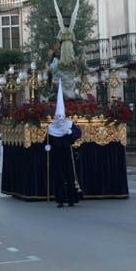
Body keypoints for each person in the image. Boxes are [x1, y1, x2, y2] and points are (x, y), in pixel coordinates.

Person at [46, 80, 82, 208]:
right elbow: (46, 142)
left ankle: (72, 199)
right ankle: (60, 199)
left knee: (70, 177)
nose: (61, 118)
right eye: (58, 116)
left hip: (68, 154)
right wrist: (47, 147)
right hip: (56, 156)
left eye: (62, 116)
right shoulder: (51, 128)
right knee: (58, 178)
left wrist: (70, 133)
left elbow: (79, 133)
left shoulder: (69, 125)